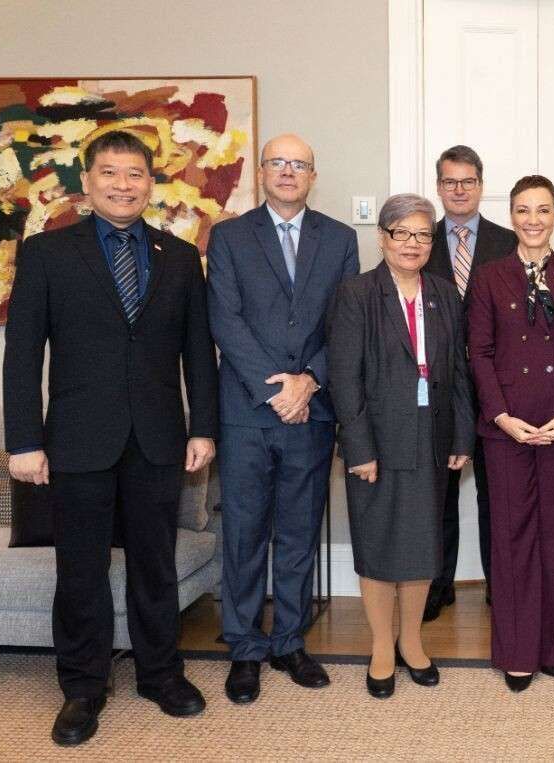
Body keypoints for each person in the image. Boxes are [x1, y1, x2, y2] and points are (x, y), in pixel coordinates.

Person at [3, 129, 218, 746]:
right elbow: (23, 353)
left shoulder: (180, 257)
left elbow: (198, 352)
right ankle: (82, 687)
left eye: (135, 174)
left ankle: (160, 674)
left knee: (155, 564)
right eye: (110, 173)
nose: (123, 185)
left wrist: (203, 427)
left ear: (151, 183)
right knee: (80, 570)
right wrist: (24, 440)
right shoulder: (47, 253)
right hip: (76, 440)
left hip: (158, 439)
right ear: (87, 182)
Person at [206, 134, 359, 703]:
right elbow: (225, 320)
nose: (288, 172)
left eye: (299, 165)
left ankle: (289, 642)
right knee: (244, 534)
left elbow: (345, 322)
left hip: (311, 413)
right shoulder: (229, 237)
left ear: (313, 175)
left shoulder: (340, 239)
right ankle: (245, 649)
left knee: (298, 533)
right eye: (278, 163)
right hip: (248, 413)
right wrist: (275, 389)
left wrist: (309, 380)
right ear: (262, 172)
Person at [328, 193, 475, 698]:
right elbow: (344, 378)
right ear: (383, 238)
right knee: (377, 542)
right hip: (377, 442)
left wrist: (462, 434)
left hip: (432, 439)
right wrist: (359, 448)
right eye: (402, 233)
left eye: (423, 234)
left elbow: (458, 370)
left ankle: (412, 642)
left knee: (422, 545)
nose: (413, 243)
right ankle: (381, 648)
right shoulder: (356, 294)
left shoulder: (444, 294)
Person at [466, 175, 554, 692]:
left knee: (553, 536)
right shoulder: (489, 277)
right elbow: (478, 353)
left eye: (543, 210)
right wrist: (501, 416)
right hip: (506, 428)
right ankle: (517, 652)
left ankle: (553, 647)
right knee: (511, 538)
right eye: (523, 210)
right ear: (512, 215)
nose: (532, 220)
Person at [421, 145, 518, 621]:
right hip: (437, 389)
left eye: (467, 181)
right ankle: (437, 585)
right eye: (449, 181)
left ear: (481, 185)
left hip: (496, 389)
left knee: (496, 494)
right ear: (438, 187)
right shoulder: (420, 241)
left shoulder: (509, 241)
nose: (458, 190)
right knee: (437, 492)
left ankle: (502, 586)